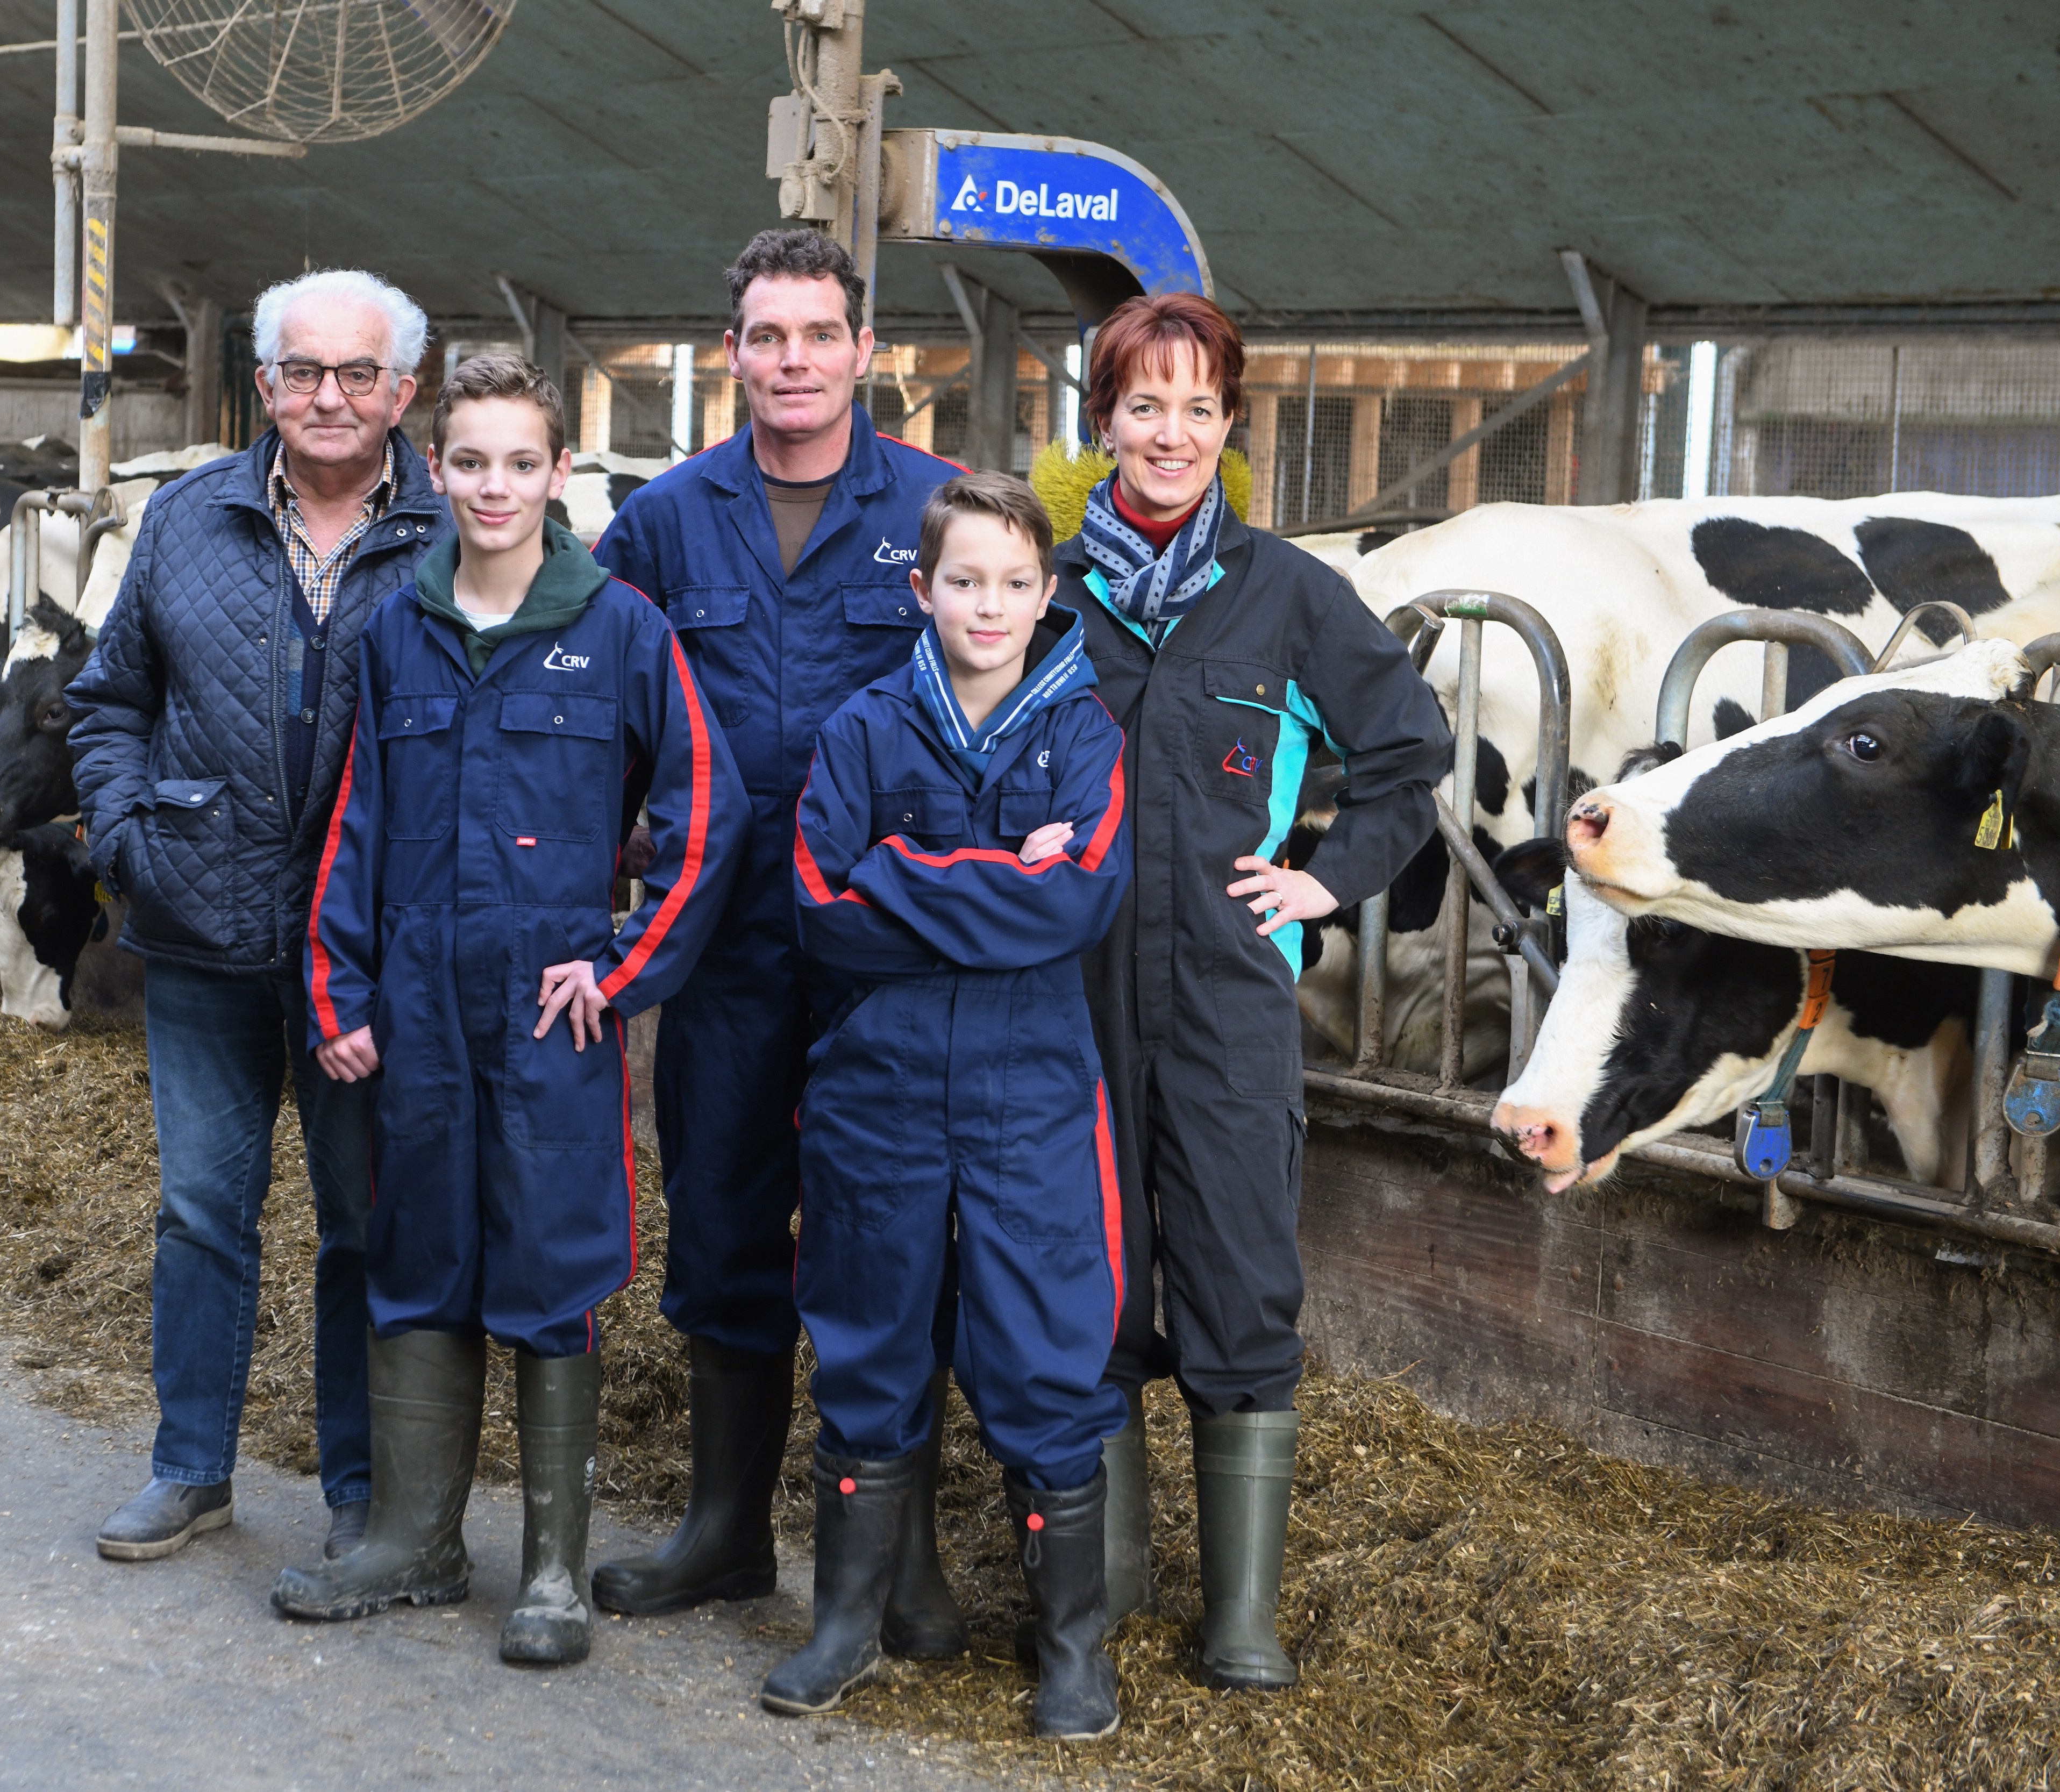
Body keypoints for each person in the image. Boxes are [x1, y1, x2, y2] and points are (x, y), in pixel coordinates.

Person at [271, 353, 744, 1667]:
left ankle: (548, 1568)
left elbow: (707, 816)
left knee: (548, 1263)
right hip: (416, 1006)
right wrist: (340, 991)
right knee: (413, 1247)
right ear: (436, 469)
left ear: (559, 473)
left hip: (550, 1015)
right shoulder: (397, 630)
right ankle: (415, 1540)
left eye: (520, 461)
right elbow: (355, 825)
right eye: (468, 460)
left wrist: (622, 962)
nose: (493, 485)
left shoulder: (622, 627)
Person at [1051, 292, 1450, 1691]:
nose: (1171, 432)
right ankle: (1096, 1590)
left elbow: (1410, 749)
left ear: (1230, 427)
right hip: (1069, 994)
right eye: (1144, 405)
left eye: (1198, 408)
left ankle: (1239, 1618)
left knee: (1238, 1271)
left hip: (1228, 997)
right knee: (1084, 1278)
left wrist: (1326, 879)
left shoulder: (1287, 591)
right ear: (1104, 421)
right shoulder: (1043, 589)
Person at [588, 229, 969, 1647]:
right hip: (724, 940)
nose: (793, 359)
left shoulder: (941, 510)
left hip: (886, 947)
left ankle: (896, 1553)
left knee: (889, 1238)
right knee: (727, 1218)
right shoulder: (666, 520)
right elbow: (604, 715)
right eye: (767, 335)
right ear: (732, 351)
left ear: (868, 351)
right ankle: (726, 1530)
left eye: (819, 333)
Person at [69, 269, 450, 1567]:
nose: (327, 397)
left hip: (370, 954)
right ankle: (190, 1468)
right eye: (301, 371)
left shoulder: (458, 534)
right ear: (266, 384)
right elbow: (109, 695)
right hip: (200, 928)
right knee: (201, 1210)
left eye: (356, 374)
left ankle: (358, 1483)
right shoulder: (188, 517)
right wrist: (128, 836)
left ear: (405, 389)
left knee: (364, 1222)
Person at [768, 472, 1131, 1740]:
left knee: (1042, 1350)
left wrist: (903, 867)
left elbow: (1078, 901)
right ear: (919, 591)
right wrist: (993, 884)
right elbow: (823, 906)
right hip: (877, 1085)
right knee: (868, 1342)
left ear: (1047, 594)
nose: (989, 604)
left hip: (1029, 1089)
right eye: (962, 580)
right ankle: (848, 1624)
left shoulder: (1083, 733)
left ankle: (1071, 1647)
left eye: (1014, 583)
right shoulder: (864, 726)